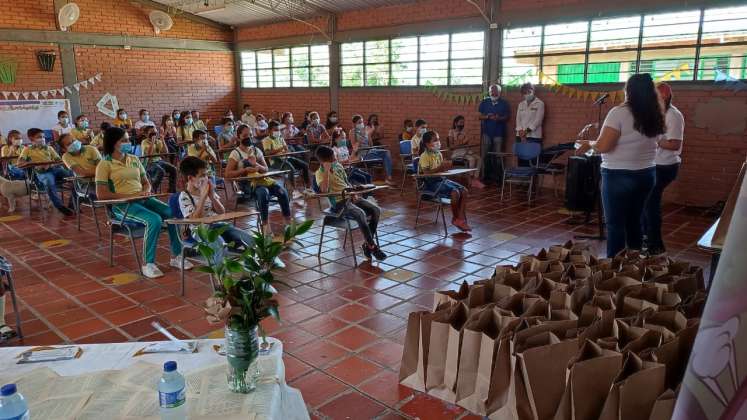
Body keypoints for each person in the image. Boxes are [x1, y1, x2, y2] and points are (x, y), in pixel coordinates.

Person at [576, 73, 664, 258]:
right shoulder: (655, 113)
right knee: (634, 221)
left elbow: (605, 146)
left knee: (615, 225)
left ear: (628, 91)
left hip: (618, 176)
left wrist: (588, 144)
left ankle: (613, 270)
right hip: (646, 174)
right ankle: (634, 265)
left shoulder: (619, 112)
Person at [95, 127, 190, 278]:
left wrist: (146, 190)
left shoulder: (133, 159)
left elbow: (146, 182)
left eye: (128, 140)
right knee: (154, 220)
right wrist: (129, 196)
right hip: (123, 205)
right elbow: (102, 195)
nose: (128, 143)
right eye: (124, 140)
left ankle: (177, 256)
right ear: (113, 143)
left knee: (172, 213)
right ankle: (148, 264)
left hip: (144, 199)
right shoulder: (104, 165)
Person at [178, 156, 255, 264]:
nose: (206, 178)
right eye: (202, 175)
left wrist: (212, 196)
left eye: (206, 174)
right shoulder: (184, 196)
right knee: (220, 247)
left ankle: (253, 271)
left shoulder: (207, 190)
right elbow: (195, 220)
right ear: (190, 178)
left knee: (251, 240)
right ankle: (221, 277)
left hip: (219, 225)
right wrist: (203, 196)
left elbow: (221, 211)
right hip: (201, 230)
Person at [315, 145, 387, 260]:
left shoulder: (338, 166)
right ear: (325, 160)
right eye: (332, 157)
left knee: (375, 210)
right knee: (360, 214)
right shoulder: (319, 173)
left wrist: (353, 192)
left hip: (350, 196)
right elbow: (323, 190)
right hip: (339, 203)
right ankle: (372, 247)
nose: (335, 157)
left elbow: (346, 182)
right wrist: (327, 171)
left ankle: (366, 245)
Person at [642, 82, 685, 256]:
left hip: (665, 167)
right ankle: (646, 238)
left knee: (650, 204)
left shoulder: (673, 116)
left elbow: (675, 144)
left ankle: (655, 245)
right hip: (653, 164)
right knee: (645, 203)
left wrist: (653, 140)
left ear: (665, 96)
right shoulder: (657, 113)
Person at [225, 125, 291, 235]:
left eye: (250, 135)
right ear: (238, 137)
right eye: (245, 135)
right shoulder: (235, 153)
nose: (248, 137)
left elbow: (265, 169)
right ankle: (265, 225)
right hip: (247, 184)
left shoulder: (256, 151)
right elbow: (227, 174)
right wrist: (245, 169)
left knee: (282, 191)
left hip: (262, 180)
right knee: (263, 193)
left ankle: (288, 223)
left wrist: (257, 165)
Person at [418, 131, 471, 232]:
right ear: (427, 144)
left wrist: (447, 166)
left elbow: (441, 170)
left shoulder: (438, 154)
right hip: (431, 184)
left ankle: (460, 218)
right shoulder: (424, 156)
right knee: (455, 193)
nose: (438, 142)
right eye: (435, 140)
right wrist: (441, 168)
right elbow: (426, 173)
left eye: (438, 139)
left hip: (442, 180)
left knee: (464, 191)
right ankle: (456, 219)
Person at [16, 128, 74, 215]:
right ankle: (60, 206)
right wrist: (32, 162)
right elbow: (19, 163)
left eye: (43, 137)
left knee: (74, 176)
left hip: (55, 169)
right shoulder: (27, 149)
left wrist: (50, 165)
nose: (42, 139)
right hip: (42, 172)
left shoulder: (49, 148)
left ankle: (72, 204)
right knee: (49, 182)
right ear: (31, 138)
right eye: (39, 137)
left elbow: (59, 160)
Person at [262, 121, 310, 192]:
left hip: (286, 158)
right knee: (291, 169)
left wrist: (287, 151)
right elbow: (267, 153)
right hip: (276, 161)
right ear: (269, 130)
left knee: (305, 165)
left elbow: (286, 149)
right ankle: (293, 190)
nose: (277, 132)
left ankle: (308, 187)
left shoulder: (280, 138)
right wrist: (281, 149)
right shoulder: (266, 140)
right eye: (275, 130)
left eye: (278, 130)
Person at [349, 114, 396, 185]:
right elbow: (354, 147)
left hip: (370, 150)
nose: (361, 124)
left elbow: (371, 145)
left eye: (362, 122)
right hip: (363, 154)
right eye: (359, 122)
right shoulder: (352, 132)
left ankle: (388, 177)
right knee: (383, 156)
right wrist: (361, 138)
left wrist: (369, 135)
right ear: (354, 124)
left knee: (387, 152)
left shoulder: (365, 130)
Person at [478, 84, 510, 183]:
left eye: (494, 90)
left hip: (498, 133)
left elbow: (507, 117)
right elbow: (479, 116)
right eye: (491, 90)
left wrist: (498, 118)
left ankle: (499, 178)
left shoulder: (504, 103)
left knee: (498, 156)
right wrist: (487, 116)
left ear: (499, 92)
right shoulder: (484, 102)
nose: (492, 92)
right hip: (486, 133)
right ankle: (486, 176)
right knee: (485, 155)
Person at [448, 115, 484, 188]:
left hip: (465, 151)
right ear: (455, 123)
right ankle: (471, 179)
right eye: (460, 122)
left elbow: (466, 144)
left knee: (479, 159)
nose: (462, 124)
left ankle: (475, 178)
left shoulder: (464, 132)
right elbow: (451, 146)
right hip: (457, 152)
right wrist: (463, 142)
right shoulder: (451, 132)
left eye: (463, 122)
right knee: (472, 159)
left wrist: (467, 144)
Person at [141, 127, 177, 193]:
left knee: (174, 169)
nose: (154, 134)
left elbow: (166, 152)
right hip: (150, 163)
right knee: (161, 171)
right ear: (146, 134)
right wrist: (152, 142)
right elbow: (149, 154)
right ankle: (152, 190)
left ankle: (172, 190)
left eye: (155, 132)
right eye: (151, 132)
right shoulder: (144, 142)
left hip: (160, 161)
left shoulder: (158, 141)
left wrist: (163, 140)